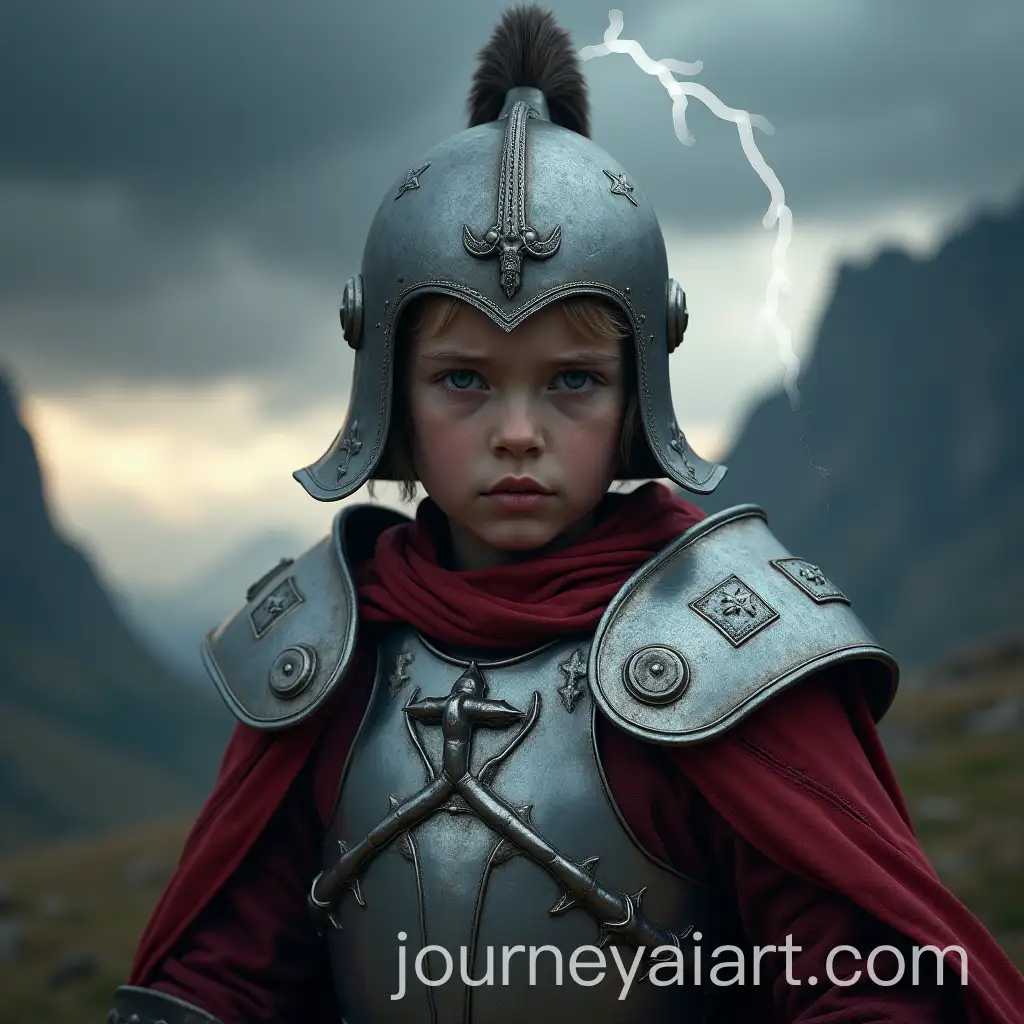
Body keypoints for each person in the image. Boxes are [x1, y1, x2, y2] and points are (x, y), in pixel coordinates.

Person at [108, 7, 1024, 1023]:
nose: (517, 432)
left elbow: (865, 990)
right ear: (388, 393)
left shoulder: (735, 650)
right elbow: (213, 985)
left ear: (637, 395)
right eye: (462, 377)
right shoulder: (330, 655)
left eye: (572, 381)